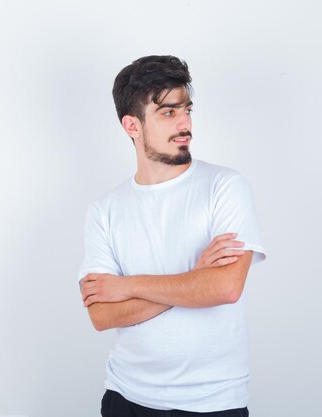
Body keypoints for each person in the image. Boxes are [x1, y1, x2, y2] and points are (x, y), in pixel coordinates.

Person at [78, 55, 266, 417]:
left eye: (187, 109)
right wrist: (194, 279)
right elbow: (102, 315)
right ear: (132, 125)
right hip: (126, 398)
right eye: (168, 112)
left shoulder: (225, 187)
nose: (185, 123)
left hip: (212, 403)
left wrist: (128, 286)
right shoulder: (105, 211)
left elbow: (224, 288)